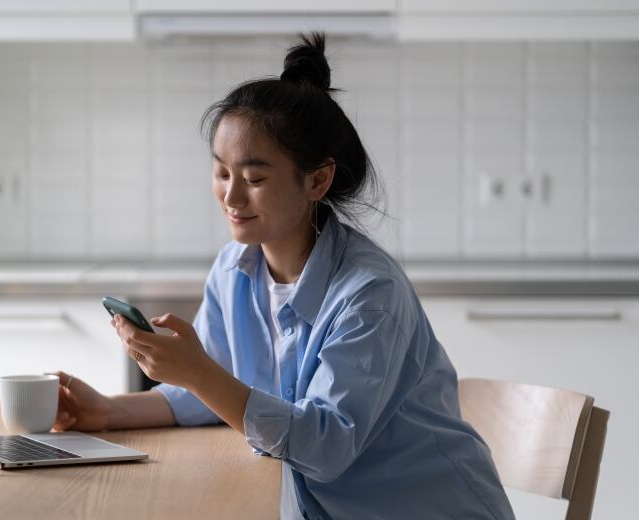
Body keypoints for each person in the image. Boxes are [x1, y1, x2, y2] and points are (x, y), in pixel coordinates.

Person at [54, 33, 515, 520]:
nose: (231, 198)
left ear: (317, 179)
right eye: (221, 173)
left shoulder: (369, 296)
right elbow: (210, 397)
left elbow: (325, 447)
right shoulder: (234, 269)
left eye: (254, 179)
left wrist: (198, 372)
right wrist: (108, 410)